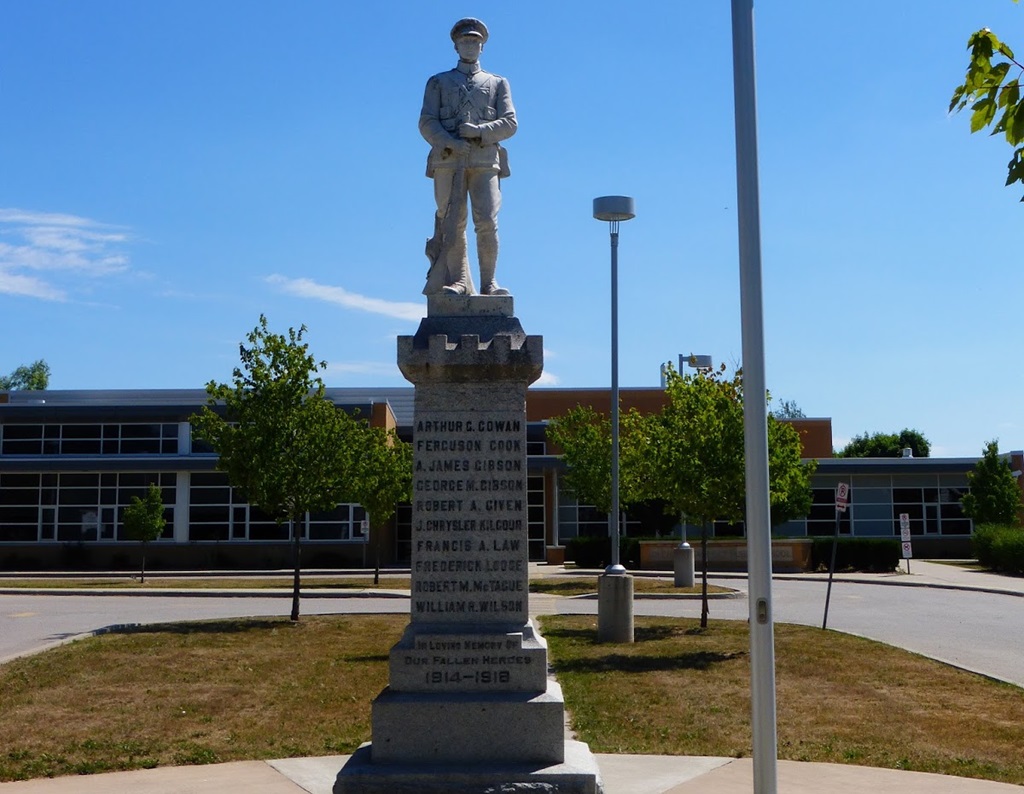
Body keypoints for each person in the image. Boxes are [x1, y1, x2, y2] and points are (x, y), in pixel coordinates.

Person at [419, 18, 517, 296]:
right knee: (452, 221)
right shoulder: (438, 82)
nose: (470, 45)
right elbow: (427, 121)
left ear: (482, 46)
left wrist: (479, 131)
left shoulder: (497, 83)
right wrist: (449, 141)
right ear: (456, 46)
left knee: (486, 221)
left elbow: (510, 123)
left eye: (475, 41)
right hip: (448, 159)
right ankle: (459, 281)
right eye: (465, 41)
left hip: (485, 160)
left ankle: (489, 283)